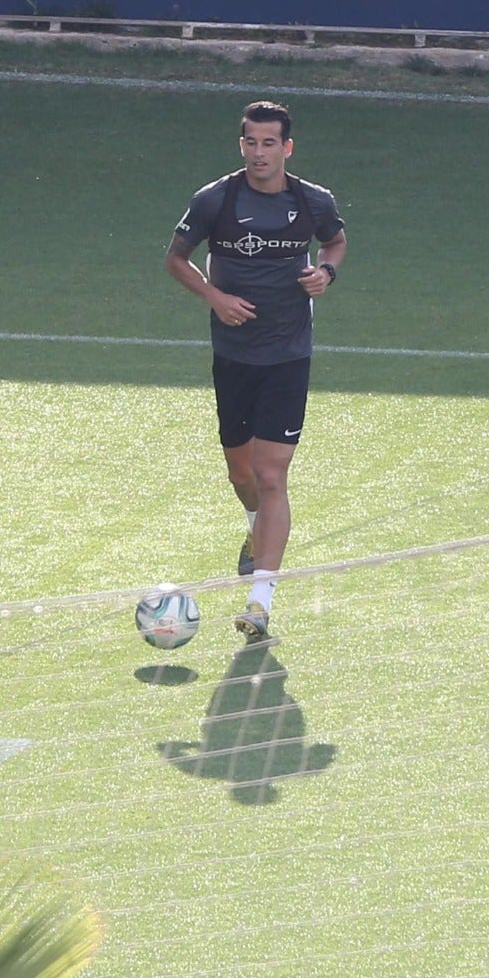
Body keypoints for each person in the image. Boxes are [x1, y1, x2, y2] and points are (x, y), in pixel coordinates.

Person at [164, 100, 346, 641]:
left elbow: (334, 239)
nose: (259, 153)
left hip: (288, 353)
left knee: (271, 475)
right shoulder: (215, 199)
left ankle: (260, 601)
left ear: (287, 148)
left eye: (270, 143)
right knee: (241, 475)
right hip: (234, 354)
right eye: (251, 142)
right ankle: (255, 530)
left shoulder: (312, 202)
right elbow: (175, 258)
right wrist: (215, 297)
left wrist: (327, 273)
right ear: (241, 145)